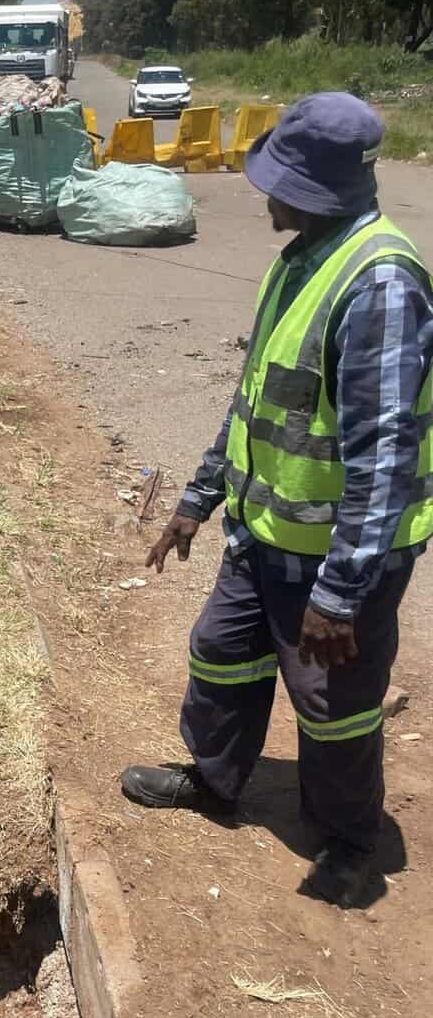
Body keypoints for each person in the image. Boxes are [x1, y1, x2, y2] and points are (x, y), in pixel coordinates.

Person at [121, 92, 433, 907]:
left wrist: (341, 591)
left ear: (321, 189)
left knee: (334, 705)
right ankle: (216, 781)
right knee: (221, 653)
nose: (265, 195)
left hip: (335, 558)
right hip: (264, 535)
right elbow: (256, 397)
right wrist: (198, 497)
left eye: (280, 182)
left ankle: (348, 838)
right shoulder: (301, 258)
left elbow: (387, 457)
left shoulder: (381, 287)